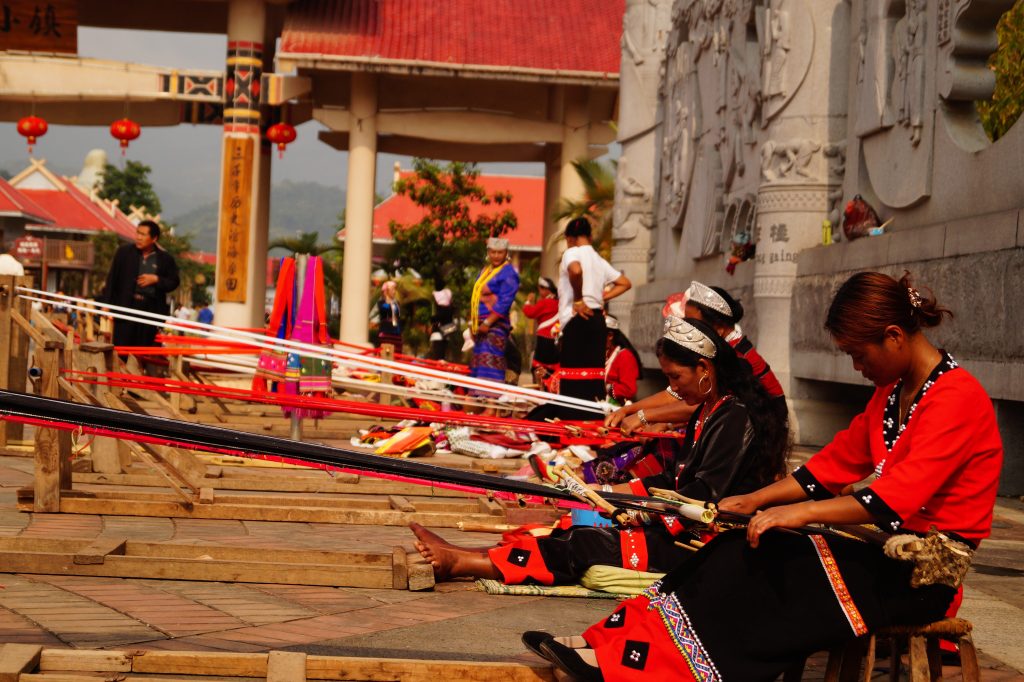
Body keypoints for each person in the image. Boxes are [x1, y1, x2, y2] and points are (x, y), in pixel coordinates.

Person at [528, 271, 1003, 682]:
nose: (858, 368)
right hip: (885, 557)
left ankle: (651, 665)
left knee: (760, 568)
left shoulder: (956, 399)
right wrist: (754, 501)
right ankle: (613, 647)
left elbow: (890, 502)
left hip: (919, 579)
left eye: (859, 355)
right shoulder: (894, 394)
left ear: (895, 336)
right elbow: (828, 469)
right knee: (731, 549)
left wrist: (793, 515)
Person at [410, 317, 788, 587]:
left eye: (675, 378)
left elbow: (703, 497)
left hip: (708, 542)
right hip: (685, 526)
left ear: (704, 368)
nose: (672, 390)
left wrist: (633, 512)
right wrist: (602, 495)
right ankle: (468, 554)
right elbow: (673, 482)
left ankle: (462, 563)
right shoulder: (710, 411)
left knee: (587, 541)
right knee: (577, 525)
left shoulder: (735, 417)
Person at [607, 280, 786, 435]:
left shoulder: (738, 358)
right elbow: (674, 395)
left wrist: (644, 416)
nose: (689, 329)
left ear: (719, 328)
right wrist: (629, 410)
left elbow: (702, 405)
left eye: (695, 325)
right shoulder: (719, 351)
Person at [552, 217, 631, 418]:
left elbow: (575, 270)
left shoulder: (572, 252)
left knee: (573, 376)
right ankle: (592, 424)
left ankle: (572, 424)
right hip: (597, 321)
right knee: (594, 375)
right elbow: (624, 283)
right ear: (590, 236)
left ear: (569, 238)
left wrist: (579, 299)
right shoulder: (598, 259)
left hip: (577, 319)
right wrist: (600, 298)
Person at [98, 220, 180, 348]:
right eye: (137, 233)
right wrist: (106, 304)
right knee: (121, 350)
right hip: (125, 309)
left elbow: (174, 282)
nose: (138, 237)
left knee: (144, 351)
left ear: (154, 238)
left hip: (150, 311)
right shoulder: (124, 253)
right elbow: (112, 279)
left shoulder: (165, 259)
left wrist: (157, 279)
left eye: (143, 234)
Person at [468, 237, 520, 385]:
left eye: (500, 252)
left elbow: (505, 301)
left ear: (506, 253)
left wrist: (487, 322)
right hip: (480, 326)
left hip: (494, 326)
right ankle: (481, 403)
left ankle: (491, 406)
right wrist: (472, 323)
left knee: (491, 365)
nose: (496, 256)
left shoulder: (509, 272)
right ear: (488, 252)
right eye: (493, 252)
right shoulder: (485, 271)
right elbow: (475, 297)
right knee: (479, 365)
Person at [522, 276, 559, 387]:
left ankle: (541, 388)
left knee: (538, 367)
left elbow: (529, 312)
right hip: (556, 340)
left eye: (541, 289)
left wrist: (528, 301)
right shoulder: (558, 302)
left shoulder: (545, 302)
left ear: (546, 289)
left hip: (544, 340)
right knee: (553, 368)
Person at [604, 315, 642, 405]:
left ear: (610, 336)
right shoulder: (605, 354)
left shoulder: (625, 356)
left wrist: (607, 387)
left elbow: (629, 389)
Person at [428, 282, 456, 361]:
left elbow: (435, 319)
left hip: (439, 335)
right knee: (442, 356)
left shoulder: (443, 311)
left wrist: (432, 319)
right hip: (446, 335)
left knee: (438, 357)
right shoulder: (450, 310)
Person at [376, 280, 402, 353]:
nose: (394, 291)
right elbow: (383, 310)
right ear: (387, 291)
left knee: (396, 353)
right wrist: (389, 302)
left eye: (394, 289)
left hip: (396, 332)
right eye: (392, 289)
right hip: (385, 332)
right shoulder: (381, 302)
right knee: (385, 352)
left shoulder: (397, 303)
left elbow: (398, 316)